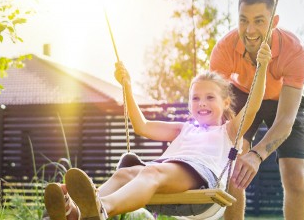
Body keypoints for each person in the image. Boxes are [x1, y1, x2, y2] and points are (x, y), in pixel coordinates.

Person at [43, 43, 271, 220]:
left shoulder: (228, 131)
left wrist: (261, 69)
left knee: (151, 172)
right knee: (125, 173)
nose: (202, 103)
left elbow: (253, 106)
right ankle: (76, 213)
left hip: (202, 178)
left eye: (210, 97)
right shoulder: (184, 129)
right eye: (195, 98)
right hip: (168, 168)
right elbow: (142, 126)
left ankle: (103, 209)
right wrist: (127, 88)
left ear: (226, 103)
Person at [209, 0, 304, 220]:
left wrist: (257, 154)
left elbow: (285, 119)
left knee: (295, 175)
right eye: (243, 21)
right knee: (235, 165)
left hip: (282, 100)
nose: (250, 30)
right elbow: (216, 105)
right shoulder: (224, 50)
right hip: (243, 94)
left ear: (274, 21)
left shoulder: (295, 52)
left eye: (259, 21)